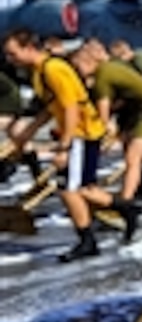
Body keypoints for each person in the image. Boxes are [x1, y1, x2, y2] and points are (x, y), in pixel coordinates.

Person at [3, 30, 109, 261]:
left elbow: (71, 108)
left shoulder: (53, 69)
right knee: (81, 189)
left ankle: (87, 241)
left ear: (29, 47)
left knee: (70, 190)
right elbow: (51, 107)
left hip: (82, 133)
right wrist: (29, 131)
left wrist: (64, 146)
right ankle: (124, 209)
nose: (11, 60)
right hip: (77, 133)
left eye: (13, 54)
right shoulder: (40, 72)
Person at [70, 44, 142, 241]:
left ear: (88, 62)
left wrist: (101, 138)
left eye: (77, 67)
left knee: (133, 159)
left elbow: (103, 117)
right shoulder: (110, 68)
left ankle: (126, 203)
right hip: (139, 110)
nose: (77, 73)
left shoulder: (102, 79)